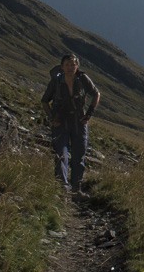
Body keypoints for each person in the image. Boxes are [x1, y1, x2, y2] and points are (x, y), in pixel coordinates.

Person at [40, 53, 100, 196]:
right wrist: (52, 118)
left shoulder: (82, 79)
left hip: (79, 120)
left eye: (73, 64)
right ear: (62, 67)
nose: (70, 67)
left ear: (77, 66)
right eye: (67, 65)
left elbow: (96, 94)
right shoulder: (56, 81)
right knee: (61, 154)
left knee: (79, 154)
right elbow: (45, 100)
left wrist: (89, 114)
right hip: (60, 121)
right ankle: (62, 188)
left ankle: (76, 188)